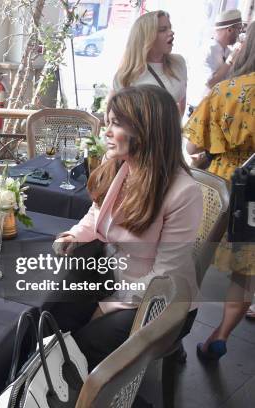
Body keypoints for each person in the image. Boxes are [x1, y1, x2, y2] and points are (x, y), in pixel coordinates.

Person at [53, 85, 203, 369]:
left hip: (159, 303)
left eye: (116, 124)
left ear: (147, 131)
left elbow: (164, 279)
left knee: (84, 345)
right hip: (116, 279)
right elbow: (96, 213)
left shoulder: (183, 193)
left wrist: (107, 306)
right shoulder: (120, 167)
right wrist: (75, 234)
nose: (106, 132)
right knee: (57, 315)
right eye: (107, 122)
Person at [184, 22, 255, 360]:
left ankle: (169, 336)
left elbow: (193, 143)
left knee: (193, 260)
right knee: (246, 273)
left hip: (221, 185)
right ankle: (220, 335)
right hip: (254, 193)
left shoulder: (225, 90)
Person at [111, 10, 188, 116]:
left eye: (170, 27)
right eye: (162, 29)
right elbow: (119, 117)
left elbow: (181, 103)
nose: (171, 32)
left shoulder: (179, 63)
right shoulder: (125, 76)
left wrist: (174, 129)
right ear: (146, 38)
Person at [187, 9, 244, 115]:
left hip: (216, 110)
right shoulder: (206, 50)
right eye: (239, 29)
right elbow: (210, 83)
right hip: (200, 111)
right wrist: (231, 60)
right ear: (230, 30)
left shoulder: (228, 51)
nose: (240, 33)